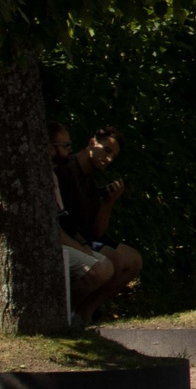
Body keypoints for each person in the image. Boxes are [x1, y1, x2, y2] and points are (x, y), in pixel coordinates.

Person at [51, 123, 141, 322]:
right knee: (114, 261)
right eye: (106, 151)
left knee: (134, 260)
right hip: (70, 238)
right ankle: (66, 314)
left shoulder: (91, 181)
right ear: (92, 143)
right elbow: (64, 221)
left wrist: (109, 202)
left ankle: (85, 314)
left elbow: (97, 231)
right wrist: (83, 247)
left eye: (113, 156)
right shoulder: (66, 170)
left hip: (85, 239)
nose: (108, 159)